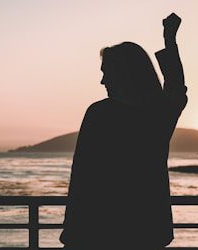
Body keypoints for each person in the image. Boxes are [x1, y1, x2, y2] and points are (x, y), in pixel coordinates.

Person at [60, 13, 187, 249]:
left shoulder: (101, 114)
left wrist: (72, 235)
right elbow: (176, 91)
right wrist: (169, 39)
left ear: (124, 73)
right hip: (144, 231)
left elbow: (82, 179)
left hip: (98, 233)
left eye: (106, 72)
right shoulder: (156, 117)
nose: (102, 81)